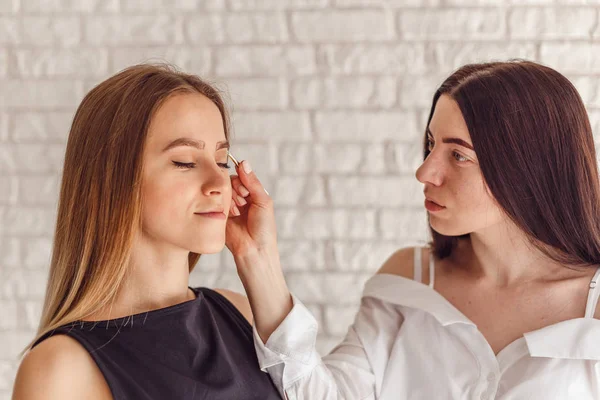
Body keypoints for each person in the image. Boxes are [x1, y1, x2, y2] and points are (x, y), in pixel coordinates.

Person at [225, 60, 600, 399]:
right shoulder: (410, 279)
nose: (425, 172)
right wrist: (257, 257)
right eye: (431, 145)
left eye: (458, 155)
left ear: (525, 168)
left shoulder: (592, 309)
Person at [12, 64, 281, 400]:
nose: (219, 184)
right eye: (184, 161)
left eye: (223, 161)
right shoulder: (61, 372)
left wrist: (258, 258)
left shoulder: (242, 313)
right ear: (113, 181)